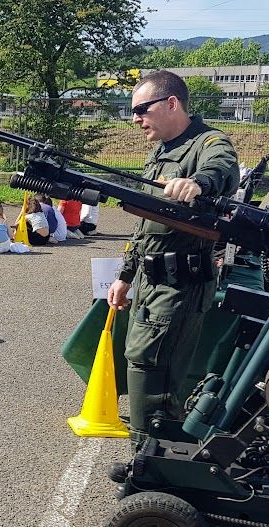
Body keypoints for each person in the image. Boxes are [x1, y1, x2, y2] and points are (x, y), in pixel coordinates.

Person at [106, 69, 240, 440]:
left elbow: (222, 167)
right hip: (151, 278)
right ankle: (148, 452)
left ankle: (156, 458)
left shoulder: (209, 143)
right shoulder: (161, 151)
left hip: (179, 280)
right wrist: (125, 275)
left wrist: (198, 183)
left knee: (153, 369)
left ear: (171, 104)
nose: (135, 119)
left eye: (141, 109)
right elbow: (145, 224)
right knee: (142, 363)